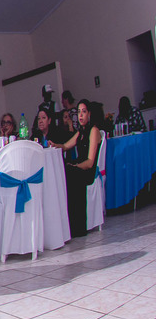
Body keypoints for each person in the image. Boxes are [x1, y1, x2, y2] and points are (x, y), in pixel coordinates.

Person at [55, 99, 105, 238]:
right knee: (64, 170)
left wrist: (76, 166)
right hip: (80, 167)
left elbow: (89, 162)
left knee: (70, 173)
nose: (81, 115)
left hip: (87, 171)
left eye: (84, 112)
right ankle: (68, 224)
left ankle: (78, 227)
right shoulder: (80, 132)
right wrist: (54, 145)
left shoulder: (93, 131)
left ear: (89, 114)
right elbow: (65, 146)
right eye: (78, 112)